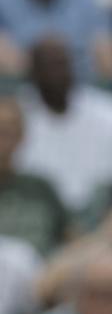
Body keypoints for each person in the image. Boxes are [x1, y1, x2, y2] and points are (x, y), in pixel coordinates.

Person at [15, 36, 112, 214]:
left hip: (106, 219)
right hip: (38, 222)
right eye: (47, 66)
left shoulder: (111, 111)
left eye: (61, 64)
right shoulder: (16, 116)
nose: (56, 73)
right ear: (33, 72)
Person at [0, 95, 67, 255]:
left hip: (44, 275)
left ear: (21, 136)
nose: (3, 139)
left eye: (9, 131)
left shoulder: (41, 188)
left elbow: (73, 238)